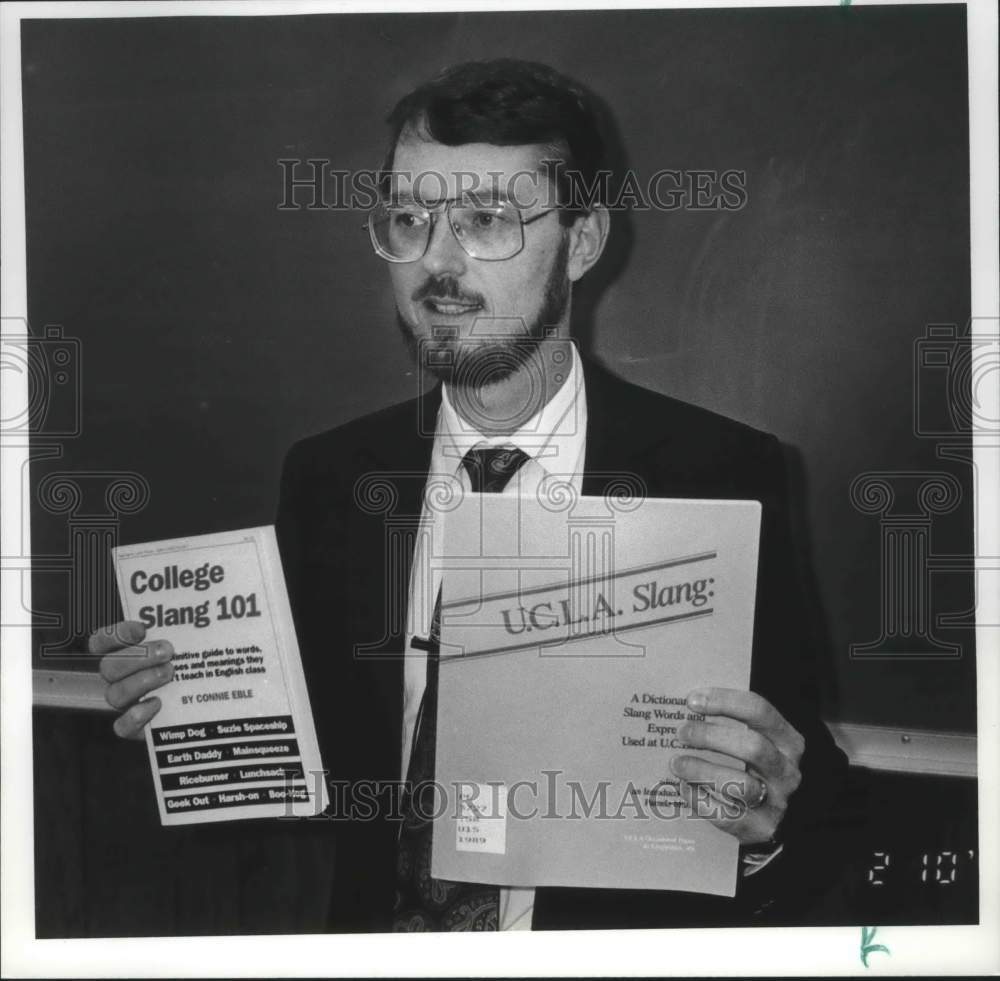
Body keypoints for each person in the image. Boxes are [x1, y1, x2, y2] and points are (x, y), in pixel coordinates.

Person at [89, 58, 850, 932]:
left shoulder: (723, 472)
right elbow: (311, 767)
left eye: (486, 220)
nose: (436, 263)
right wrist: (186, 701)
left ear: (585, 239)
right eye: (409, 219)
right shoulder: (331, 476)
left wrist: (765, 821)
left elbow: (813, 796)